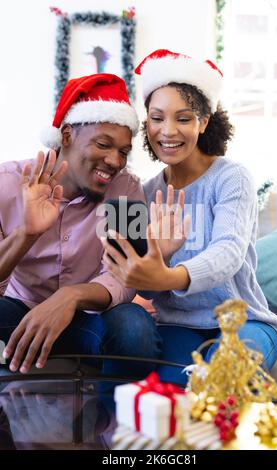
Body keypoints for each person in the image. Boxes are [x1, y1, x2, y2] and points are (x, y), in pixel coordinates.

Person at [102, 49, 277, 386]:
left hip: (245, 321)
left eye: (183, 118)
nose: (167, 131)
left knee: (222, 386)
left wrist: (168, 277)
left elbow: (228, 254)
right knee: (168, 400)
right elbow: (139, 279)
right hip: (177, 326)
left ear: (203, 122)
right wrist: (159, 262)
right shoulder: (141, 192)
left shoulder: (232, 177)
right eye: (157, 118)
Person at [0, 73, 162, 380]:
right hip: (20, 313)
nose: (115, 161)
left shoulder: (127, 189)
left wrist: (71, 296)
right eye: (104, 144)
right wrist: (26, 234)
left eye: (124, 152)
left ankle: (117, 424)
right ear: (66, 136)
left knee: (134, 327)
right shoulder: (7, 183)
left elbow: (125, 277)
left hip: (91, 317)